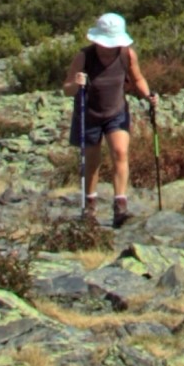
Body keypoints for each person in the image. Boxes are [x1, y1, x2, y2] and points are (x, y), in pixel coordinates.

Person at [66, 12, 157, 228]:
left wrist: (148, 95)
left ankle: (120, 206)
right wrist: (75, 83)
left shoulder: (127, 55)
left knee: (120, 152)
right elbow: (67, 89)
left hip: (116, 112)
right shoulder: (84, 57)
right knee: (92, 161)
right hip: (88, 115)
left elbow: (137, 78)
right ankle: (89, 206)